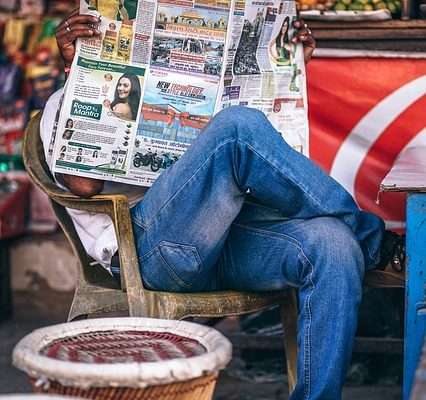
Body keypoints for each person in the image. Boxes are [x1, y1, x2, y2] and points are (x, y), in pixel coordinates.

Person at [50, 10, 405, 400]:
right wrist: (77, 77)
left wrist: (285, 69)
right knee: (235, 128)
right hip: (151, 252)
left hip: (228, 238)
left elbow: (267, 154)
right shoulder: (62, 103)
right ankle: (378, 244)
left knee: (333, 242)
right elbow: (82, 185)